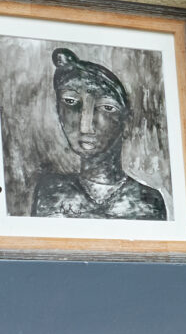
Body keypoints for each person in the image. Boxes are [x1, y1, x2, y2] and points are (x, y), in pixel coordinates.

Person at [29, 46, 167, 220]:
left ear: (126, 121)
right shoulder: (49, 191)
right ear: (58, 110)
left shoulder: (148, 202)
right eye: (70, 101)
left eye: (107, 107)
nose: (85, 126)